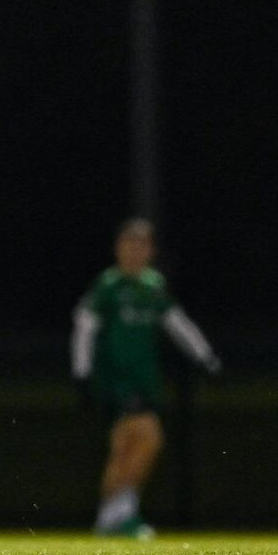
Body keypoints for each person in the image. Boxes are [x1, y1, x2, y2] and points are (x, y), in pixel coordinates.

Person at [70, 216, 221, 538]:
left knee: (123, 447)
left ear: (151, 250)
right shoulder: (108, 286)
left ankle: (107, 519)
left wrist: (204, 356)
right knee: (150, 437)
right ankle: (122, 513)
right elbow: (84, 327)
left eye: (142, 245)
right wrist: (82, 374)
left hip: (145, 379)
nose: (135, 251)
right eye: (129, 243)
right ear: (117, 248)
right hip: (117, 378)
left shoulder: (153, 286)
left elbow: (178, 324)